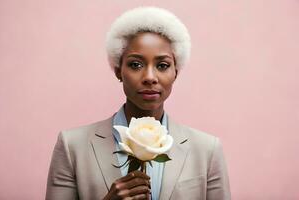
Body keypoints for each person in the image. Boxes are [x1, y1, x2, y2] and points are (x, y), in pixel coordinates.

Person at [46, 7, 231, 200]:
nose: (150, 77)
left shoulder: (207, 150)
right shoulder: (72, 146)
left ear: (176, 72)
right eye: (136, 64)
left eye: (162, 65)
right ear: (118, 70)